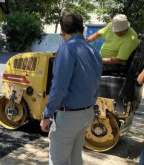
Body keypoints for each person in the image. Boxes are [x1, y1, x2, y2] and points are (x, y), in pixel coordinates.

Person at [40, 13, 102, 165]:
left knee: (58, 160)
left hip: (69, 117)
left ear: (62, 32)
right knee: (75, 158)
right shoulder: (94, 52)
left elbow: (59, 88)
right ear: (82, 29)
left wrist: (47, 114)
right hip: (87, 113)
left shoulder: (66, 49)